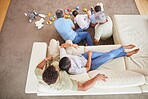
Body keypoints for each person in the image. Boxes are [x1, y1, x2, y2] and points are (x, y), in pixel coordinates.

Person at [35, 56, 108, 91]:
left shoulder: (40, 74)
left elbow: (37, 68)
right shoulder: (65, 82)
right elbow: (83, 87)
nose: (56, 67)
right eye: (56, 69)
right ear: (58, 77)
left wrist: (46, 59)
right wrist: (96, 78)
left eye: (53, 67)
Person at [59, 43, 139, 75]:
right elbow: (87, 68)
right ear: (69, 66)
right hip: (91, 64)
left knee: (106, 55)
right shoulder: (73, 71)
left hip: (84, 56)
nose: (70, 58)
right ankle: (122, 48)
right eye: (70, 61)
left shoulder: (63, 58)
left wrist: (71, 45)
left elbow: (62, 46)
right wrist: (90, 56)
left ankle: (125, 53)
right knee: (109, 55)